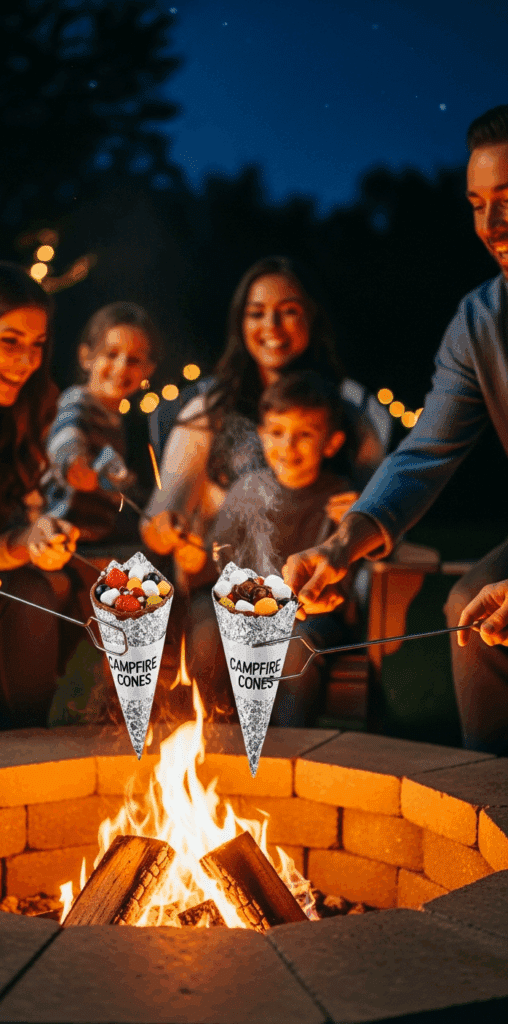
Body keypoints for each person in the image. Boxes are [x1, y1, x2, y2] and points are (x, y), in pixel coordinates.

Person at [283, 104, 508, 756]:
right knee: (471, 610)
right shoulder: (479, 322)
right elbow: (423, 454)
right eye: (475, 203)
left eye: (507, 199)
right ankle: (492, 807)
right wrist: (339, 546)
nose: (491, 226)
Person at [140, 256, 375, 578]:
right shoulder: (210, 414)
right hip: (221, 589)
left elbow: (386, 517)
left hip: (314, 594)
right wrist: (167, 528)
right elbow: (163, 511)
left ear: (312, 317)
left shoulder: (349, 417)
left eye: (289, 311)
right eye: (256, 313)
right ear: (240, 323)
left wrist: (365, 518)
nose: (271, 326)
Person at [181, 371, 356, 726]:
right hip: (236, 606)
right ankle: (215, 739)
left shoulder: (341, 498)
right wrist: (193, 556)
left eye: (304, 434)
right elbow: (214, 562)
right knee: (205, 630)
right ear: (261, 435)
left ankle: (286, 755)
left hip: (306, 615)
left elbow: (344, 581)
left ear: (332, 442)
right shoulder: (248, 489)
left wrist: (354, 523)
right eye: (277, 433)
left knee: (295, 653)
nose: (288, 447)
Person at [0, 261, 79, 729]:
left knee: (31, 593)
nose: (27, 362)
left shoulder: (11, 424)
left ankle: (20, 765)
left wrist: (30, 540)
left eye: (37, 347)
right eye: (11, 342)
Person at [44, 302, 162, 543]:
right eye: (111, 354)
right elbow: (66, 434)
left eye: (133, 360)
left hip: (93, 538)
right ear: (86, 357)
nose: (121, 367)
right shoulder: (78, 401)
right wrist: (73, 462)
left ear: (147, 370)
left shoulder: (117, 421)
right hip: (57, 534)